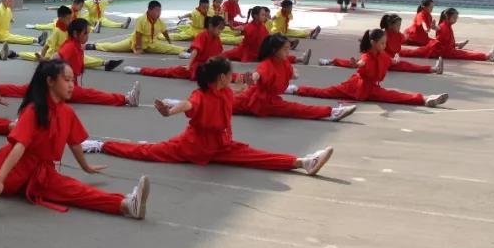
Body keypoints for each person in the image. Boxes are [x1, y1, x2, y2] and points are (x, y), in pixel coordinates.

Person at [0, 60, 150, 218]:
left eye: (73, 80)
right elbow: (18, 148)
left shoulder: (67, 111)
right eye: (66, 79)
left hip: (41, 173)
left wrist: (86, 167)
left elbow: (74, 142)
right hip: (4, 167)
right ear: (50, 82)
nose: (71, 85)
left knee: (78, 191)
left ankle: (126, 205)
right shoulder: (34, 111)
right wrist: (0, 180)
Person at [82, 57, 334, 175]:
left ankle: (302, 162)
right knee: (146, 153)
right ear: (220, 77)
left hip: (222, 144)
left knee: (256, 156)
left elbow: (241, 85)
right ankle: (100, 145)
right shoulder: (200, 96)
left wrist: (256, 77)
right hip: (193, 147)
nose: (233, 75)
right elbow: (187, 105)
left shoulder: (225, 89)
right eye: (230, 72)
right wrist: (170, 110)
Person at [0, 19, 135, 105]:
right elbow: (56, 57)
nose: (87, 36)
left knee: (20, 90)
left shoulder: (74, 45)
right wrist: (46, 67)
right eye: (85, 33)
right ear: (75, 34)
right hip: (63, 87)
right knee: (93, 94)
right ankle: (126, 99)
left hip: (62, 84)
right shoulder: (70, 46)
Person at [296, 29, 449, 107]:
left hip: (370, 87)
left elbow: (392, 61)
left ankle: (425, 98)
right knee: (323, 92)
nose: (384, 45)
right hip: (358, 86)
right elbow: (362, 64)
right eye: (382, 43)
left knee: (395, 95)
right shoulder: (367, 57)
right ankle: (294, 89)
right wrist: (357, 65)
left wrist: (395, 59)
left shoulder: (382, 55)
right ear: (373, 43)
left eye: (385, 43)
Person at [233, 34, 353, 121]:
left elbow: (292, 73)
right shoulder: (267, 64)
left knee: (226, 102)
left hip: (263, 98)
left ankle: (331, 112)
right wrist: (252, 78)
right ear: (274, 50)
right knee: (296, 108)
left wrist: (294, 74)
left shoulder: (284, 62)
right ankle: (331, 112)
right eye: (285, 49)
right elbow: (258, 74)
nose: (288, 52)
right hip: (261, 101)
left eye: (288, 49)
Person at [321, 14, 442, 74]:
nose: (400, 27)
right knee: (358, 63)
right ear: (390, 25)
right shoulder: (383, 34)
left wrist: (432, 29)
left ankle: (434, 69)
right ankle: (331, 61)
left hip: (390, 61)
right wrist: (391, 59)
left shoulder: (398, 34)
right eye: (397, 25)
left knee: (409, 66)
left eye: (400, 25)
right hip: (380, 59)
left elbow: (404, 38)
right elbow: (377, 47)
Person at [123, 15, 227, 79]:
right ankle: (139, 69)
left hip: (209, 67)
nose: (220, 31)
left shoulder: (216, 38)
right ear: (210, 26)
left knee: (226, 74)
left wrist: (222, 64)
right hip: (196, 67)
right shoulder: (203, 35)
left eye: (222, 29)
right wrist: (189, 65)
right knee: (167, 72)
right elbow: (195, 50)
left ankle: (242, 77)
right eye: (219, 28)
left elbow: (219, 54)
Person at [400, 8, 494, 62]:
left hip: (444, 49)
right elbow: (437, 28)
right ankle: (487, 56)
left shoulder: (448, 25)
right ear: (447, 16)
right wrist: (433, 27)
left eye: (456, 17)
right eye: (454, 17)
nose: (456, 19)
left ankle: (486, 55)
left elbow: (446, 38)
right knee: (466, 54)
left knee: (466, 52)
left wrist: (455, 44)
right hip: (440, 51)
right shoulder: (442, 25)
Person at [90, 0, 185, 55]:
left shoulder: (159, 21)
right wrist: (138, 47)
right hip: (134, 42)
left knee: (169, 48)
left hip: (151, 44)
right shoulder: (141, 19)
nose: (159, 13)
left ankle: (187, 50)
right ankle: (94, 45)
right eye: (156, 11)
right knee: (113, 47)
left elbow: (164, 32)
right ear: (149, 10)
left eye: (160, 11)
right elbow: (138, 34)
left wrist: (169, 41)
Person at [224, 5, 309, 64]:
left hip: (260, 51)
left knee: (278, 55)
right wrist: (234, 28)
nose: (265, 16)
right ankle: (300, 59)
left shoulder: (262, 26)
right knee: (223, 55)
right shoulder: (249, 27)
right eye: (263, 15)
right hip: (248, 52)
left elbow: (267, 39)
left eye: (265, 15)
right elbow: (244, 38)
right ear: (255, 16)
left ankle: (300, 59)